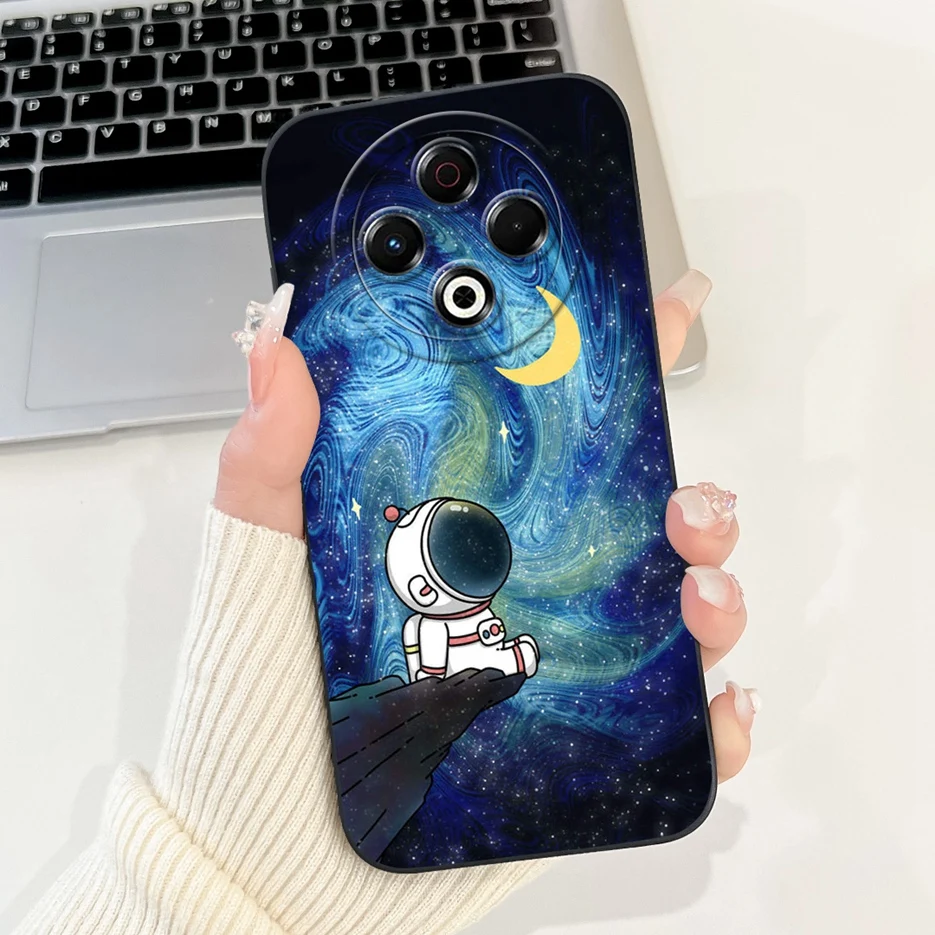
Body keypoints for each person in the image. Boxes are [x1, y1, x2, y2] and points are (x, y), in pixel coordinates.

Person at [15, 271, 758, 935]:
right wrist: (245, 876)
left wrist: (229, 885)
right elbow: (425, 665)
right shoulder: (428, 634)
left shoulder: (456, 608)